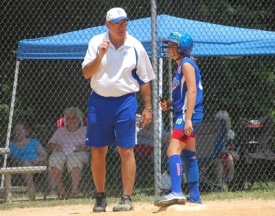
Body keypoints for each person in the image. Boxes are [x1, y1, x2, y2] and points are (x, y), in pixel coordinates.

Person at [82, 7, 155, 212]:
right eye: (117, 23)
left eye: (124, 22)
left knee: (126, 149)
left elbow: (144, 79)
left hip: (125, 102)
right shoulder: (96, 42)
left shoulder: (135, 45)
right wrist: (100, 55)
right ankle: (100, 197)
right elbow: (87, 73)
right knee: (98, 150)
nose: (122, 26)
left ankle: (126, 198)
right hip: (99, 101)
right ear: (108, 25)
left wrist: (148, 107)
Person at [154, 31, 204, 207]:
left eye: (172, 45)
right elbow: (184, 96)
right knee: (189, 154)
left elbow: (192, 91)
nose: (169, 48)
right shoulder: (182, 65)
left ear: (182, 48)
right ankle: (195, 195)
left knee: (172, 151)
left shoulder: (186, 64)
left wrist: (188, 119)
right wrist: (170, 103)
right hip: (186, 113)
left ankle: (176, 191)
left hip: (187, 116)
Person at [47, 107, 89, 199]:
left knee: (74, 159)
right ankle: (62, 192)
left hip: (79, 153)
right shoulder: (60, 131)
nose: (71, 120)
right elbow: (50, 143)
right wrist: (54, 146)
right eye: (68, 118)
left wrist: (84, 147)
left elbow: (93, 144)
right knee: (54, 159)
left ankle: (74, 191)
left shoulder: (86, 130)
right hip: (62, 153)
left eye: (74, 117)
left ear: (79, 119)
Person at [9, 121, 48, 200]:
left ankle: (52, 190)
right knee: (26, 163)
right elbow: (8, 159)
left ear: (26, 131)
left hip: (37, 162)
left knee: (50, 163)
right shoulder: (10, 145)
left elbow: (45, 155)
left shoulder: (33, 142)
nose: (17, 132)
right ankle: (32, 192)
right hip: (20, 164)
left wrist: (38, 159)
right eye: (15, 130)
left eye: (19, 130)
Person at [215, 111, 239, 187]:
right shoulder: (213, 133)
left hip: (227, 153)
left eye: (226, 121)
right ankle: (220, 184)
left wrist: (230, 151)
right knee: (219, 162)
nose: (225, 124)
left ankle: (230, 182)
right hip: (216, 154)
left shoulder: (230, 133)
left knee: (230, 159)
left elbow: (232, 145)